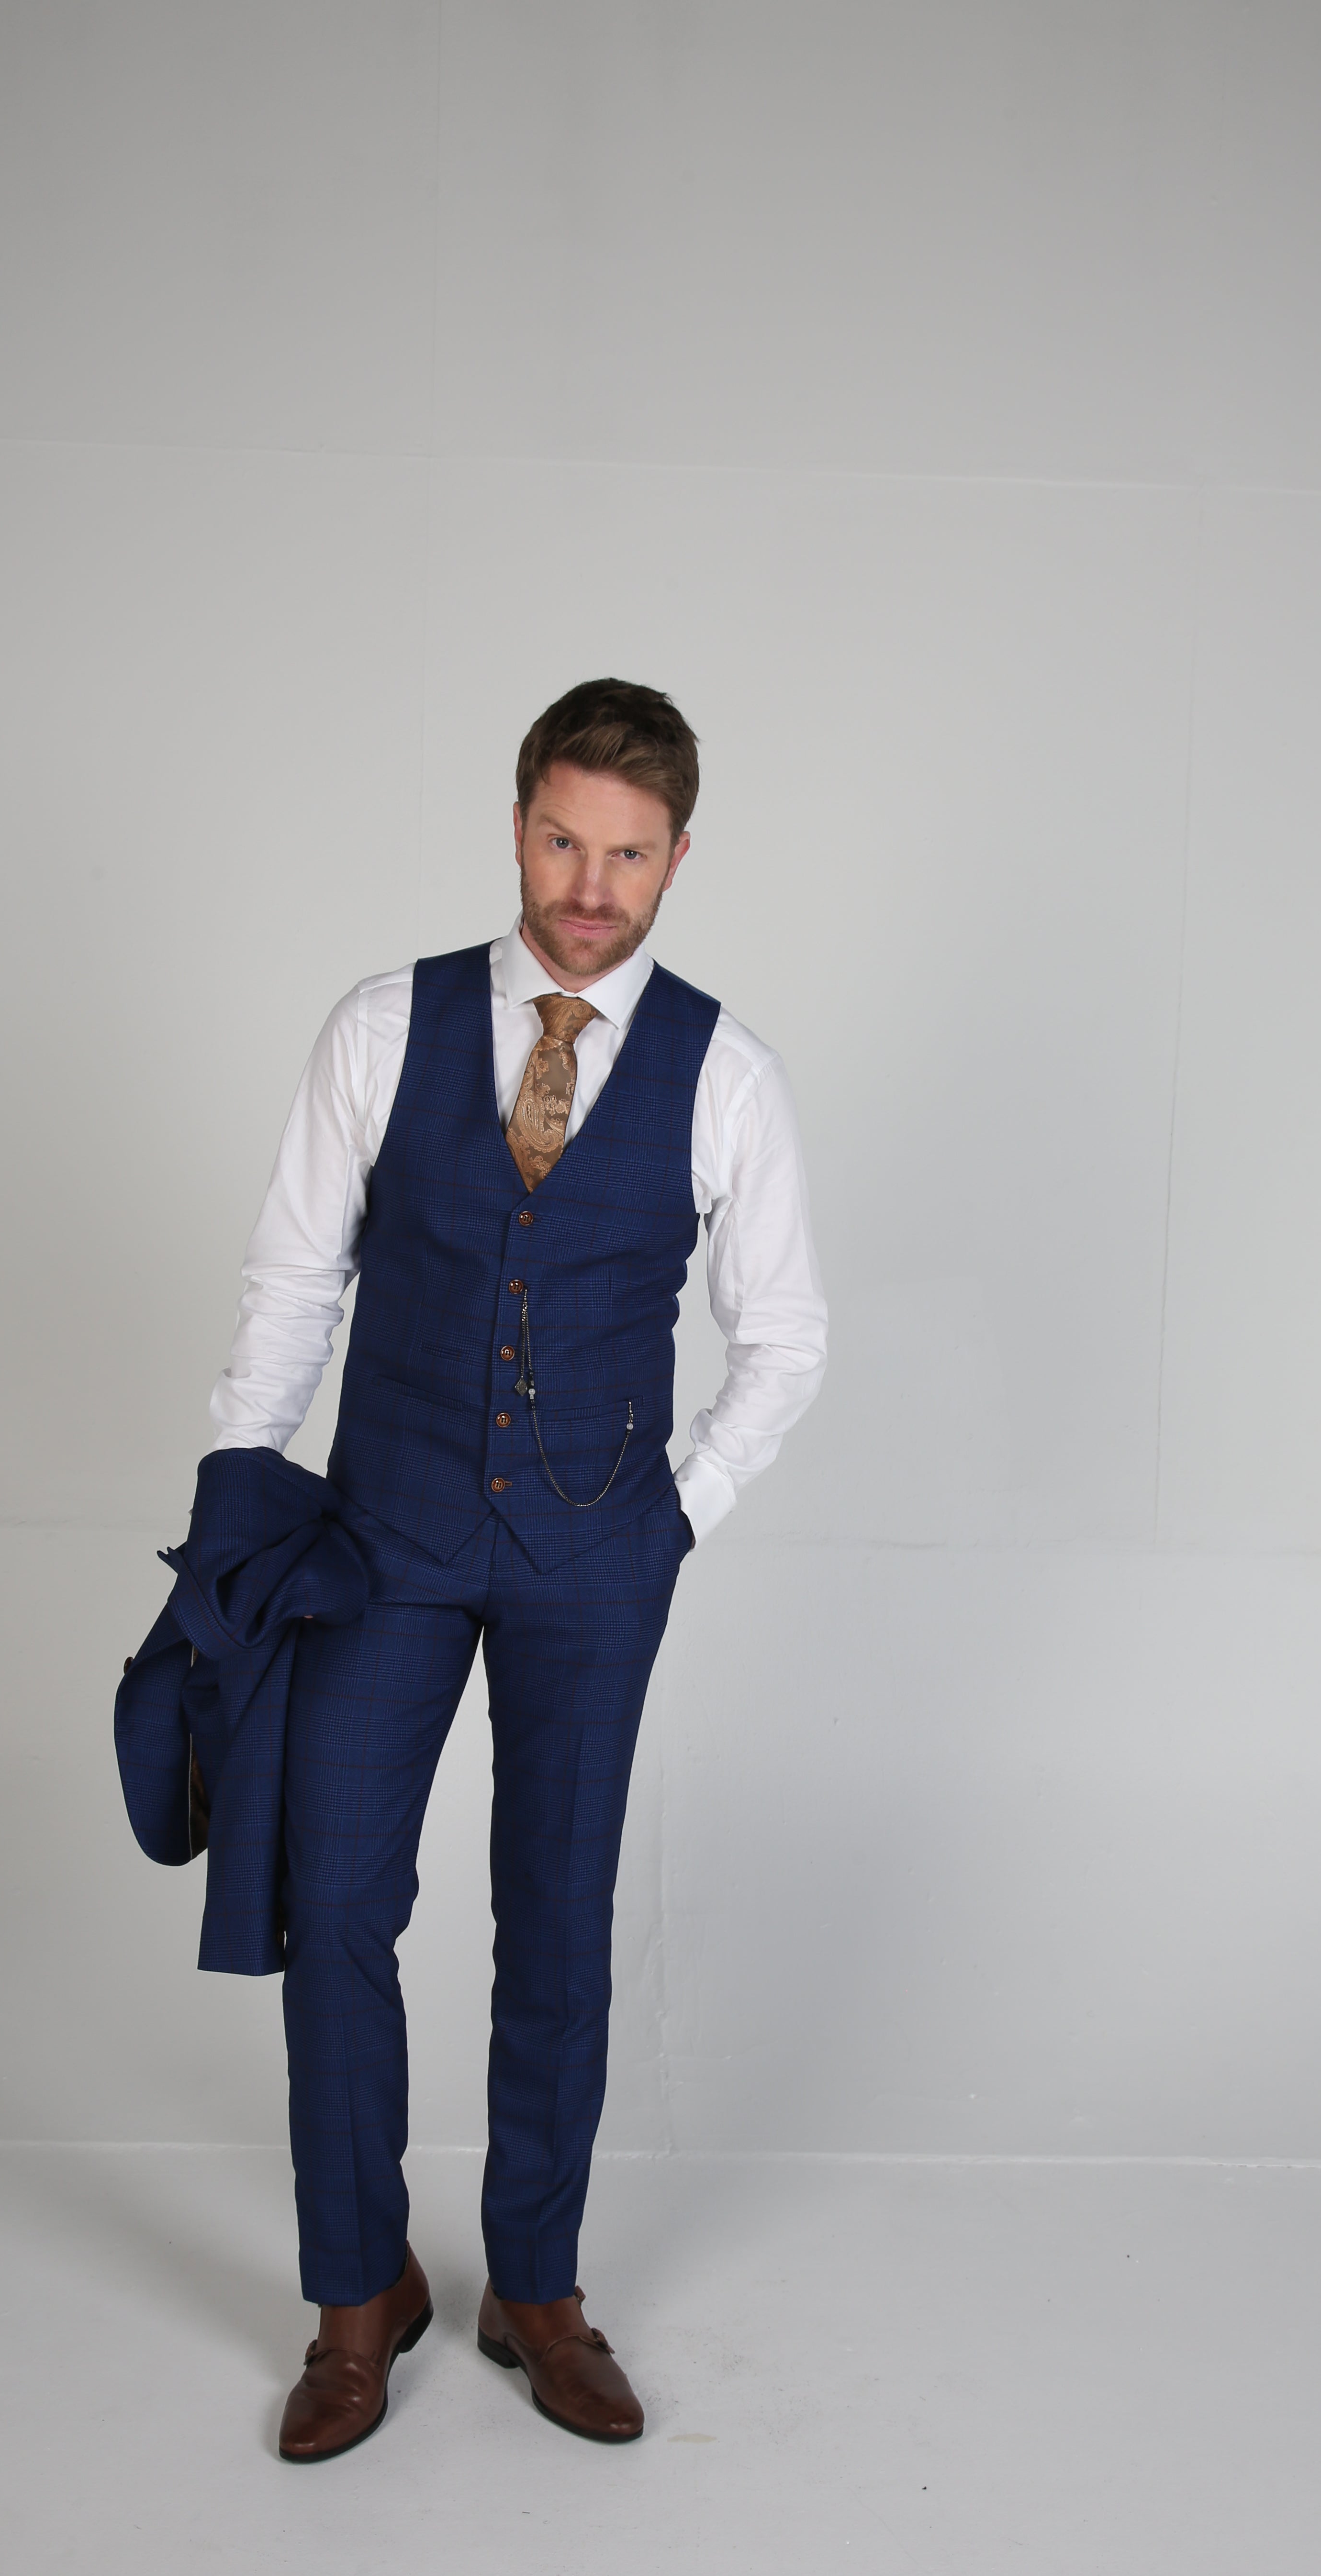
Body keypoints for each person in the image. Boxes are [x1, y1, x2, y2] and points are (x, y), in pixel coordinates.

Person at [146, 677, 825, 2459]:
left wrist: (678, 1512)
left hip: (598, 1557)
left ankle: (538, 2284)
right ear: (518, 824)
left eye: (630, 855)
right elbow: (295, 1280)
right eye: (563, 842)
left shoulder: (725, 1072)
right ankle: (356, 2294)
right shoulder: (385, 1026)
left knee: (560, 1918)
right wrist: (236, 1500)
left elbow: (786, 1338)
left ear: (679, 857)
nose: (591, 888)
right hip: (384, 1538)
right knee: (335, 1903)